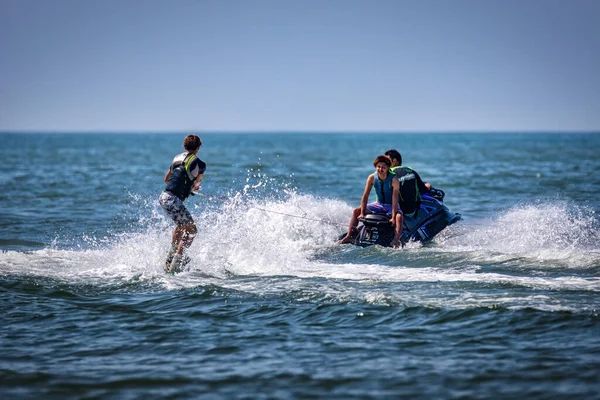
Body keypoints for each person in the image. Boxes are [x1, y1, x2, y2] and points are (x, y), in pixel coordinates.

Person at [159, 135, 206, 273]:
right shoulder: (200, 164)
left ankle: (170, 258)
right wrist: (193, 187)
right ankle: (177, 261)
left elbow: (166, 179)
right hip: (173, 199)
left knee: (181, 226)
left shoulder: (176, 158)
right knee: (191, 229)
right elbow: (197, 182)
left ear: (184, 147)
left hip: (163, 197)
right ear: (198, 148)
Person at [339, 155, 404, 248]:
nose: (380, 169)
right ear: (375, 167)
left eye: (383, 167)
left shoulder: (394, 179)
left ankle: (395, 241)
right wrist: (362, 213)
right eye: (378, 167)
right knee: (355, 211)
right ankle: (349, 235)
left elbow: (395, 199)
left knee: (399, 217)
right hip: (379, 204)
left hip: (391, 205)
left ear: (388, 168)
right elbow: (365, 196)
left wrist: (393, 217)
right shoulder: (372, 177)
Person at [384, 149, 431, 218]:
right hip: (411, 210)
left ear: (394, 161)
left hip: (395, 210)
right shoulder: (411, 171)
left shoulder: (388, 174)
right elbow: (423, 190)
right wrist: (428, 186)